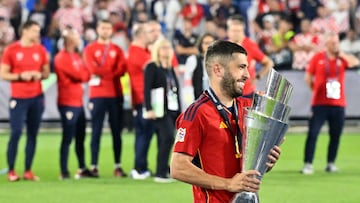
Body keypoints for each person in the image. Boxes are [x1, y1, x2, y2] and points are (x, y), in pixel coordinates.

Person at [170, 40, 281, 202]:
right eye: (241, 67)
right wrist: (228, 184)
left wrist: (265, 162)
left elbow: (246, 167)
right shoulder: (197, 113)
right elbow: (178, 168)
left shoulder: (248, 108)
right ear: (218, 70)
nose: (247, 75)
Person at [301, 32, 359, 175]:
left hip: (338, 104)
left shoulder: (342, 58)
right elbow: (308, 77)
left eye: (337, 43)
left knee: (336, 134)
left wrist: (342, 53)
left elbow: (355, 63)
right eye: (332, 43)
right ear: (326, 44)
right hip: (320, 103)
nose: (335, 45)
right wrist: (315, 90)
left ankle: (330, 163)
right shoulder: (318, 58)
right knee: (313, 133)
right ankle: (308, 164)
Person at [0, 20, 50, 182]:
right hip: (19, 98)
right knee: (15, 133)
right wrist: (21, 76)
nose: (37, 34)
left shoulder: (40, 50)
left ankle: (28, 170)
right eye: (35, 31)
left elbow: (46, 72)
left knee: (33, 134)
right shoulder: (12, 50)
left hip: (36, 97)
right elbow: (4, 74)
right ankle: (12, 170)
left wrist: (39, 75)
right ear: (25, 31)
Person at [83, 19, 127, 178]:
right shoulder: (90, 49)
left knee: (117, 132)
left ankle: (118, 165)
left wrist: (103, 72)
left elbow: (122, 69)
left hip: (115, 94)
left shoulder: (117, 49)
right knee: (96, 131)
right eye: (103, 27)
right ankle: (94, 165)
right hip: (97, 95)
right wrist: (110, 72)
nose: (106, 30)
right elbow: (92, 69)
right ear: (97, 29)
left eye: (108, 28)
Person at [54, 26, 94, 180]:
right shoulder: (61, 57)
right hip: (67, 102)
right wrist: (83, 74)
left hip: (78, 102)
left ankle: (82, 167)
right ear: (69, 40)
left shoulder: (76, 56)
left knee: (80, 137)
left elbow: (87, 75)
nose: (79, 38)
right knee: (68, 137)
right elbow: (80, 75)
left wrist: (83, 74)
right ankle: (63, 170)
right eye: (76, 35)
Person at [144, 38, 181, 183]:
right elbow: (147, 88)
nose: (167, 50)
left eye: (168, 47)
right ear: (157, 50)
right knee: (167, 138)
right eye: (163, 47)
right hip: (160, 109)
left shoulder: (170, 68)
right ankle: (160, 173)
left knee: (164, 139)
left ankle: (164, 169)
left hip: (172, 108)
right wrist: (148, 108)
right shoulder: (152, 67)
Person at [127, 22, 155, 179]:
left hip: (141, 98)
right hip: (143, 99)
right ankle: (139, 168)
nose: (151, 36)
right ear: (141, 35)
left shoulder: (140, 51)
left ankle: (142, 166)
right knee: (144, 133)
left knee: (144, 133)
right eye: (148, 33)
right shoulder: (138, 54)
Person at [226, 14, 273, 98]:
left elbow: (269, 63)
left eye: (238, 31)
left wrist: (257, 77)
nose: (235, 33)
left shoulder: (250, 45)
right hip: (228, 93)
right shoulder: (223, 46)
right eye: (233, 31)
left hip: (246, 93)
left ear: (243, 31)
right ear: (228, 32)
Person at [183, 32, 216, 105]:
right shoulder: (193, 60)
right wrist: (189, 103)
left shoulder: (218, 62)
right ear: (201, 45)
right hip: (197, 101)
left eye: (211, 43)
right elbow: (187, 83)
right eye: (206, 43)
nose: (209, 46)